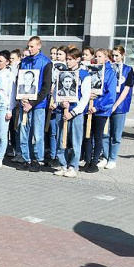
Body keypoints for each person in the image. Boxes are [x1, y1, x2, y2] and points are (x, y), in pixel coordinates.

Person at [16, 36, 53, 170]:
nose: (30, 49)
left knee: (37, 134)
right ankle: (26, 159)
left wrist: (32, 103)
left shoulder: (46, 62)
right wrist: (21, 99)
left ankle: (37, 159)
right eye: (28, 46)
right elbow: (19, 81)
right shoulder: (24, 62)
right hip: (24, 103)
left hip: (38, 105)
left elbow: (46, 86)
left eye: (32, 46)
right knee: (24, 132)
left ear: (39, 46)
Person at [54, 48, 89, 179]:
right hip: (63, 111)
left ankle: (73, 166)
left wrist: (73, 112)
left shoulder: (85, 75)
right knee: (60, 139)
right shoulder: (62, 74)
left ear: (78, 59)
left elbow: (85, 98)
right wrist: (61, 103)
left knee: (75, 140)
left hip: (76, 113)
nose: (67, 62)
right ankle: (63, 164)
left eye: (70, 59)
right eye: (67, 59)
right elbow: (56, 93)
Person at [84, 49, 118, 172]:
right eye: (96, 56)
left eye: (100, 56)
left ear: (106, 58)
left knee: (98, 136)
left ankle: (94, 161)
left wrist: (98, 107)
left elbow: (111, 95)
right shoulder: (90, 70)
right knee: (87, 135)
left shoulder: (110, 73)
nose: (97, 59)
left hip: (100, 110)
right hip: (88, 107)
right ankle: (87, 160)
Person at [104, 46, 134, 170]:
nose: (115, 58)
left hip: (120, 106)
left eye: (117, 55)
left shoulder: (128, 70)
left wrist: (116, 105)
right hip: (107, 104)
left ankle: (112, 158)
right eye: (113, 55)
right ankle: (105, 157)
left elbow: (126, 89)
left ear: (122, 55)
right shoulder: (108, 68)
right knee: (105, 133)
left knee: (116, 134)